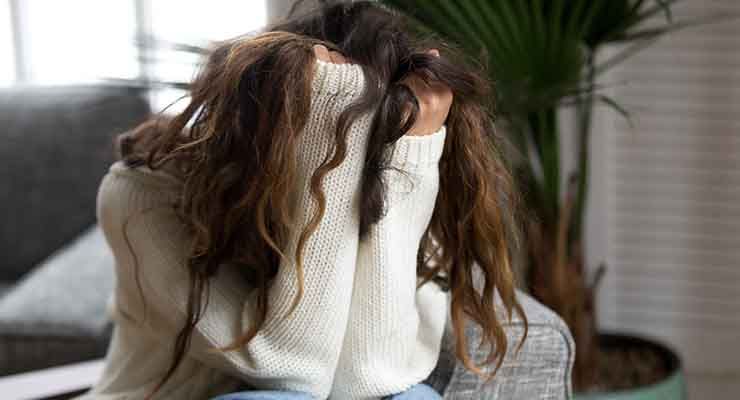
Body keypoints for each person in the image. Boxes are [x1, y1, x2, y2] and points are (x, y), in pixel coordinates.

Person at [76, 1, 527, 399]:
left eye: (363, 137)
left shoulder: (400, 169)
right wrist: (330, 136)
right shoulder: (143, 193)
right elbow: (293, 373)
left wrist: (407, 156)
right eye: (329, 120)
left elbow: (373, 379)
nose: (352, 152)